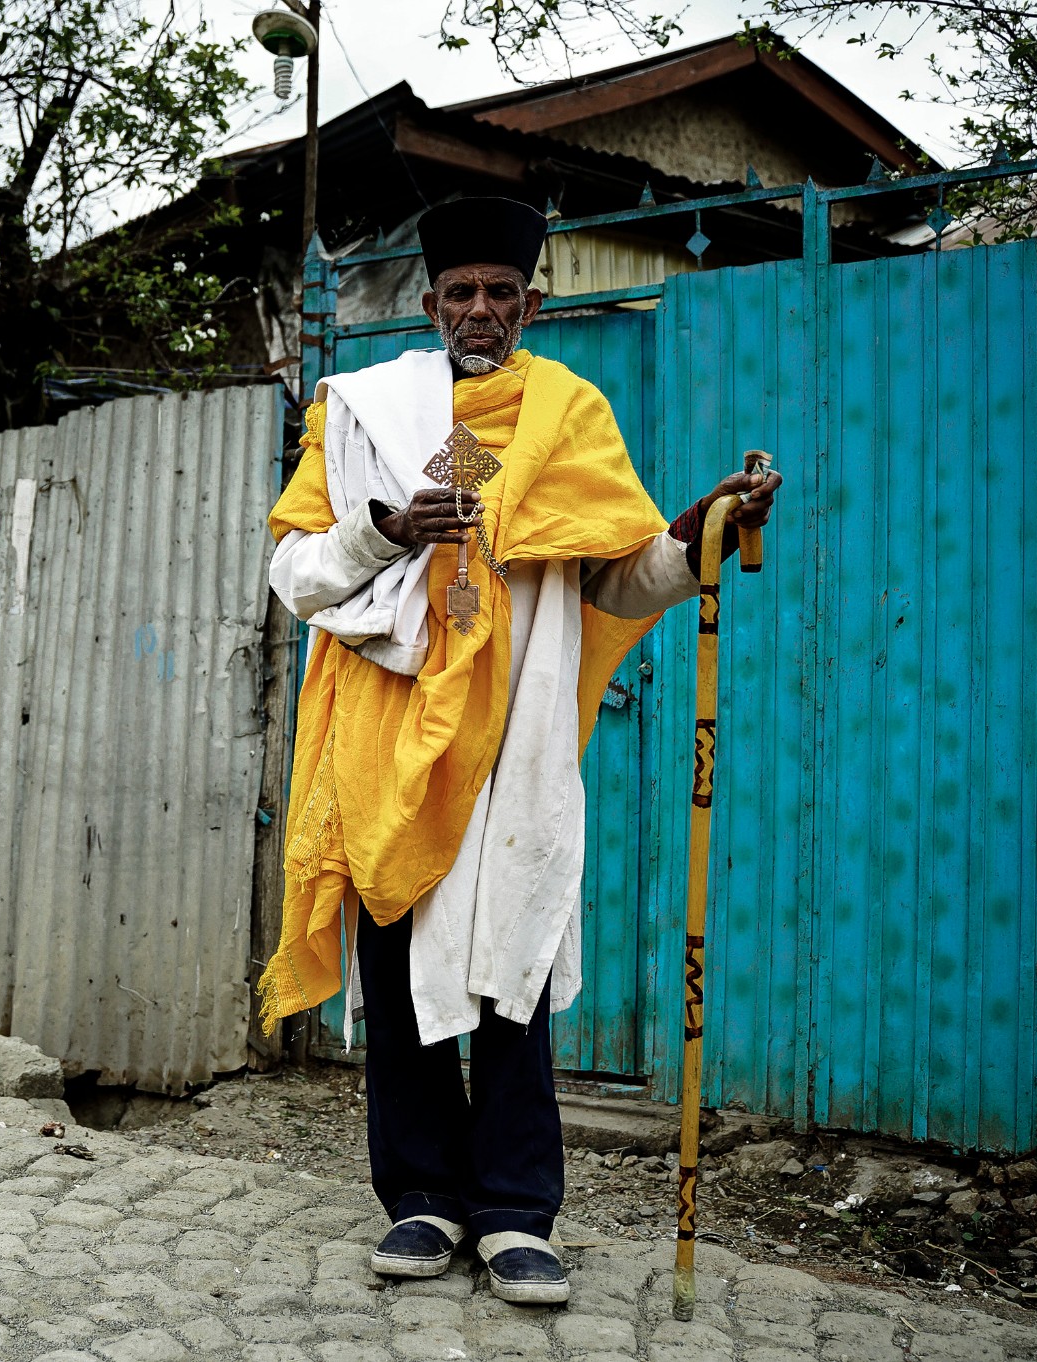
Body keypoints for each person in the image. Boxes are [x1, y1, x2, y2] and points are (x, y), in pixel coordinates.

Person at [258, 196, 780, 1305]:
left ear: (532, 303)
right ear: (432, 303)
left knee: (513, 967)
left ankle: (509, 1212)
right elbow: (294, 575)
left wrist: (699, 528)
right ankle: (417, 1202)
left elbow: (616, 576)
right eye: (460, 293)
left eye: (501, 292)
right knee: (398, 973)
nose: (480, 310)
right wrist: (385, 530)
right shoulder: (363, 414)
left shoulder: (568, 412)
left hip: (514, 739)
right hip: (385, 735)